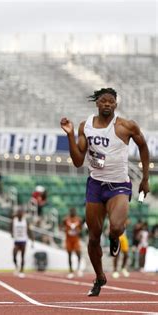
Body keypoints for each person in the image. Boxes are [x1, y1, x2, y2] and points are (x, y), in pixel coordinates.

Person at [60, 87, 150, 296]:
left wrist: (145, 179)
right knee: (93, 238)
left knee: (116, 227)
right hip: (95, 185)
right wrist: (71, 135)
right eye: (103, 101)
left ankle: (115, 237)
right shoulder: (87, 126)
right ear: (97, 104)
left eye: (111, 101)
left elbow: (144, 147)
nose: (107, 104)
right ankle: (100, 277)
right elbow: (77, 161)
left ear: (116, 104)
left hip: (118, 185)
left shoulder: (126, 126)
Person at [11, 208, 32, 278]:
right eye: (18, 212)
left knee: (23, 256)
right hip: (16, 241)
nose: (20, 214)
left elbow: (29, 230)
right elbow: (10, 226)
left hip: (23, 240)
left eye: (21, 213)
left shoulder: (25, 221)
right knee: (14, 255)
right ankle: (17, 266)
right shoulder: (14, 220)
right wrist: (11, 233)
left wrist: (32, 240)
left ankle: (22, 271)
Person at [63, 207, 83, 278]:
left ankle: (79, 269)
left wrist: (78, 231)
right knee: (69, 255)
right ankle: (70, 271)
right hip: (68, 239)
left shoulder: (79, 219)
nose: (72, 213)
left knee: (79, 254)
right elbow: (62, 226)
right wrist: (66, 230)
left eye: (73, 211)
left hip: (76, 239)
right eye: (71, 211)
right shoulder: (65, 219)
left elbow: (81, 228)